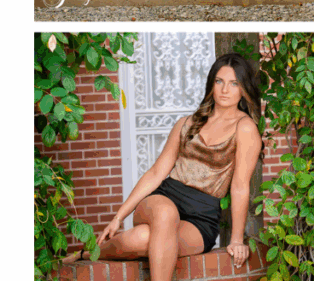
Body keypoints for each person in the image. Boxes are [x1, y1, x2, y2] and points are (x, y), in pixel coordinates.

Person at [63, 54, 264, 280]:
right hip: (164, 199)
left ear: (243, 89)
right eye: (219, 81)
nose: (225, 89)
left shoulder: (244, 128)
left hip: (202, 216)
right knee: (166, 213)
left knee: (140, 240)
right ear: (211, 85)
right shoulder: (187, 123)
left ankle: (86, 254)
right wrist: (119, 216)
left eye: (234, 83)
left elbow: (239, 186)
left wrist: (236, 239)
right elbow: (157, 172)